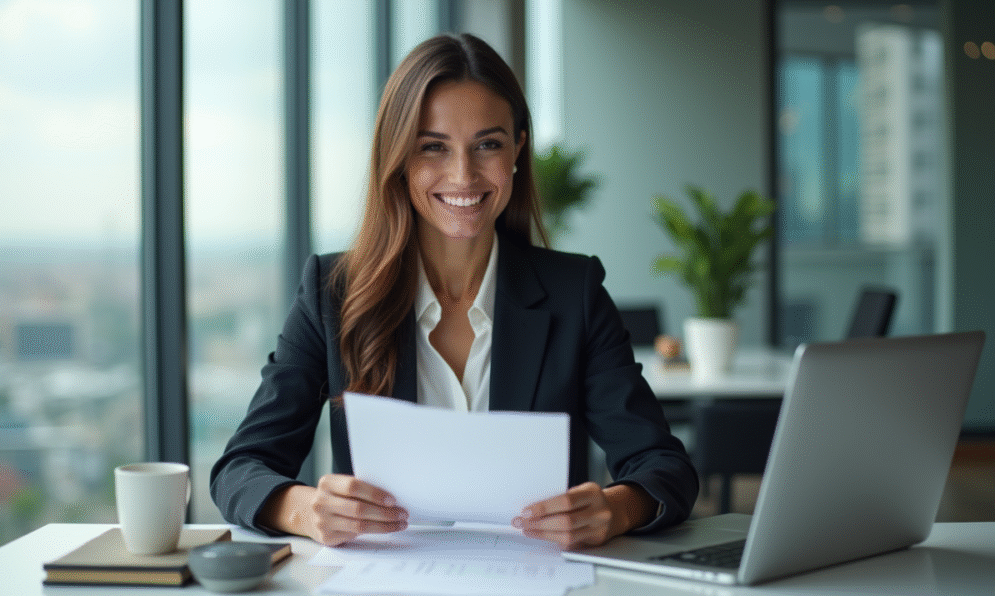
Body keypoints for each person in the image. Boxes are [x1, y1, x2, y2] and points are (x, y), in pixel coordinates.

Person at [211, 33, 698, 551]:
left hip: (535, 581)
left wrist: (614, 509)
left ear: (517, 149)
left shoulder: (572, 292)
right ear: (397, 156)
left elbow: (664, 466)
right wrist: (306, 509)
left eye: (488, 144)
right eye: (433, 147)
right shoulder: (333, 293)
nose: (463, 175)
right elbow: (241, 468)